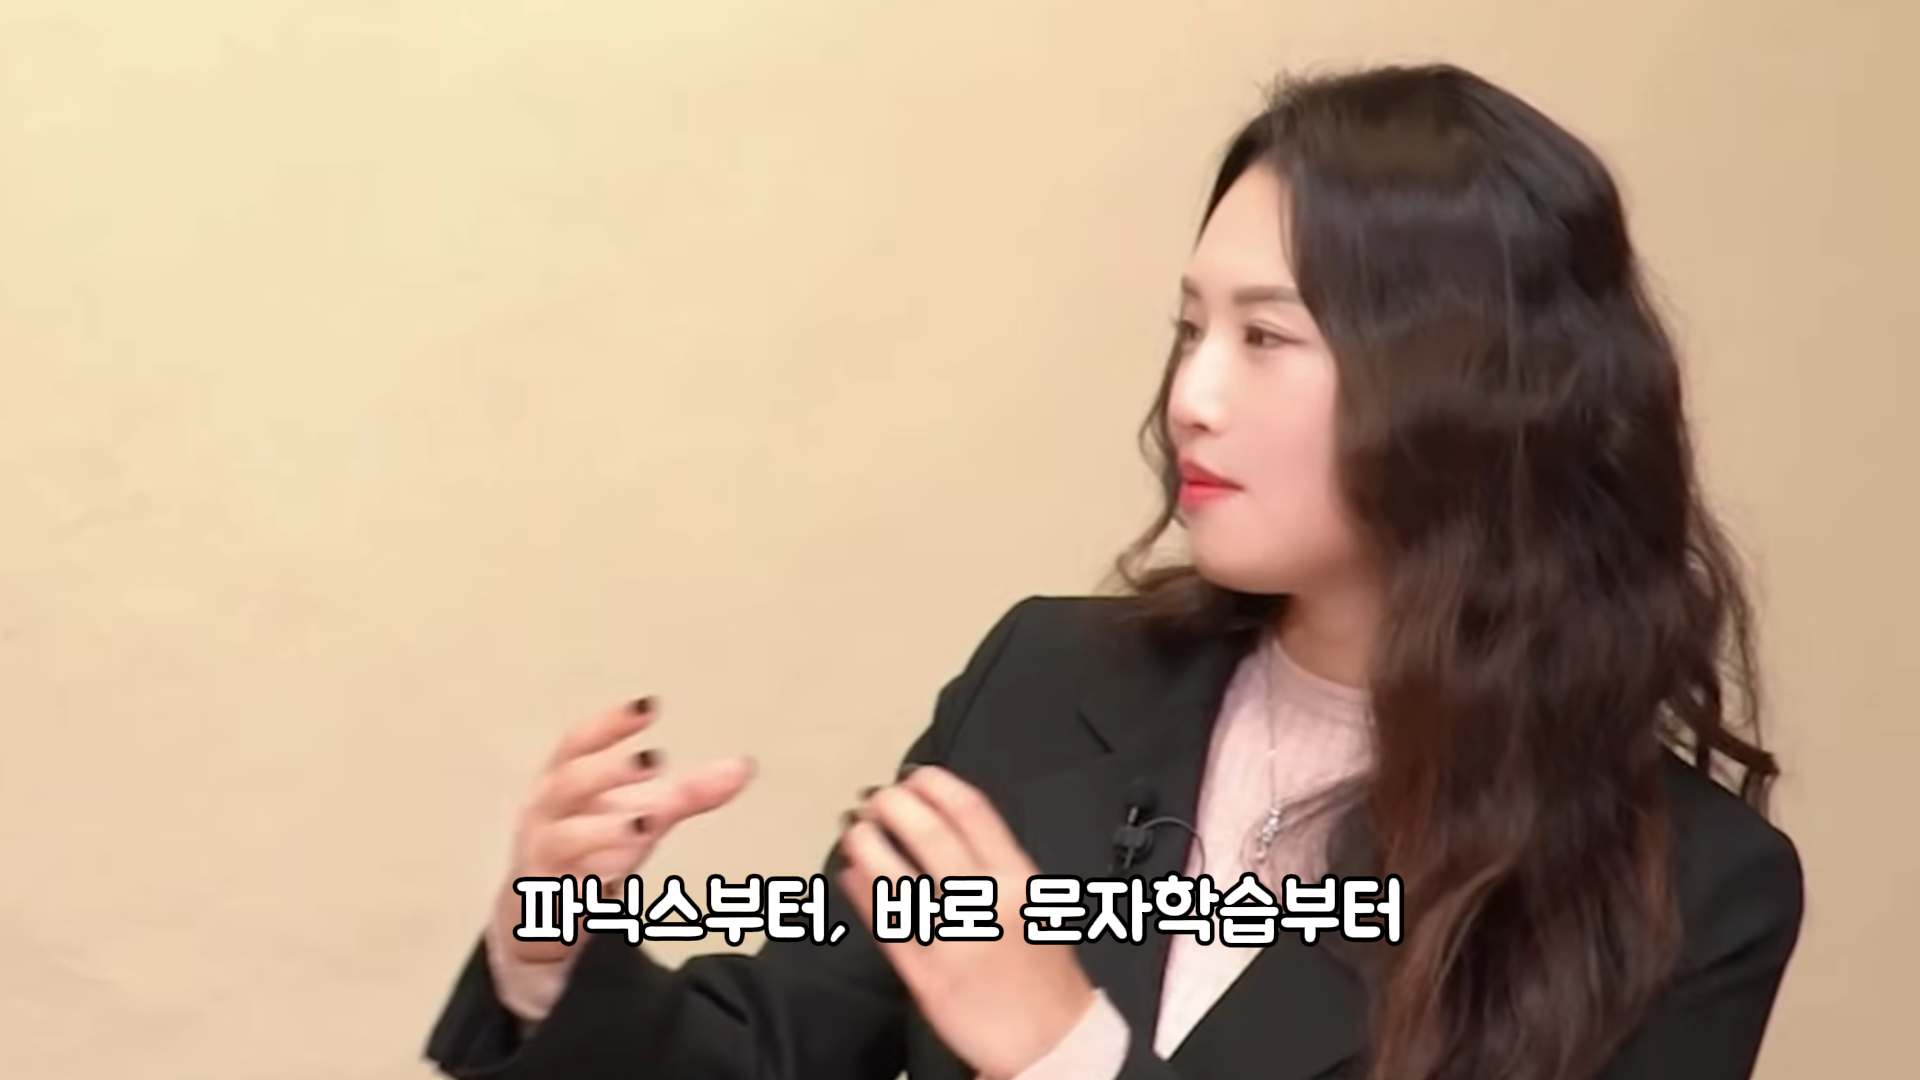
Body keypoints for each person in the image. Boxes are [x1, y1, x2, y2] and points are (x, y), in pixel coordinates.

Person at [423, 61, 1804, 1080]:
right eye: (1189, 329)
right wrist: (550, 958)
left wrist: (1069, 1055)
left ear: (1474, 394)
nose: (1191, 398)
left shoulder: (1687, 890)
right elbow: (776, 1052)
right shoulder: (1049, 682)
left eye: (1267, 338)